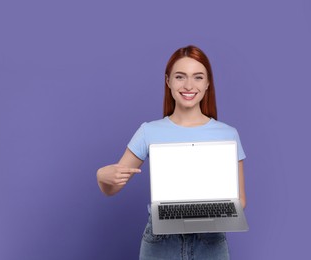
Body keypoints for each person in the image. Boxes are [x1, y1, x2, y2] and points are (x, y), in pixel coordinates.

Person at [96, 45, 246, 260]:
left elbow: (241, 200)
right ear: (168, 81)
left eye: (197, 77)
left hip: (210, 240)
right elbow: (111, 189)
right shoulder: (149, 131)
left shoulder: (228, 134)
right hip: (161, 242)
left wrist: (210, 210)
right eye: (180, 77)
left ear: (207, 83)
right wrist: (102, 177)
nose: (188, 85)